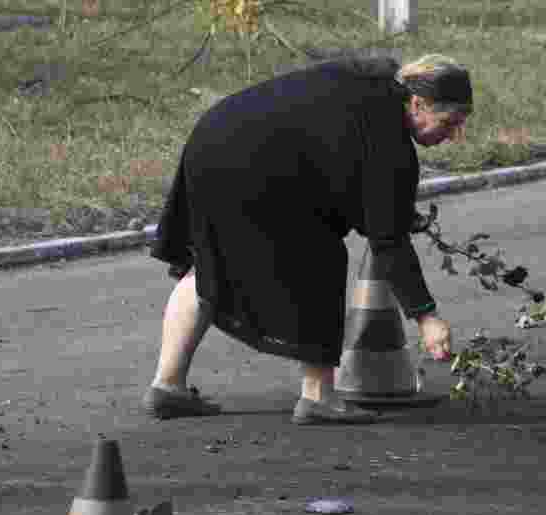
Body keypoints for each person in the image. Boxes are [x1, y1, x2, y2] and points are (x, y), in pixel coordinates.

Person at [143, 53, 472, 424]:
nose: (453, 136)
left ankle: (167, 386)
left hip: (213, 139)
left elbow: (345, 169)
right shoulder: (388, 139)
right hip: (256, 163)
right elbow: (388, 241)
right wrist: (426, 315)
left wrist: (393, 210)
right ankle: (318, 396)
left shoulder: (371, 85)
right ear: (417, 104)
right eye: (449, 122)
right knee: (320, 259)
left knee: (209, 263)